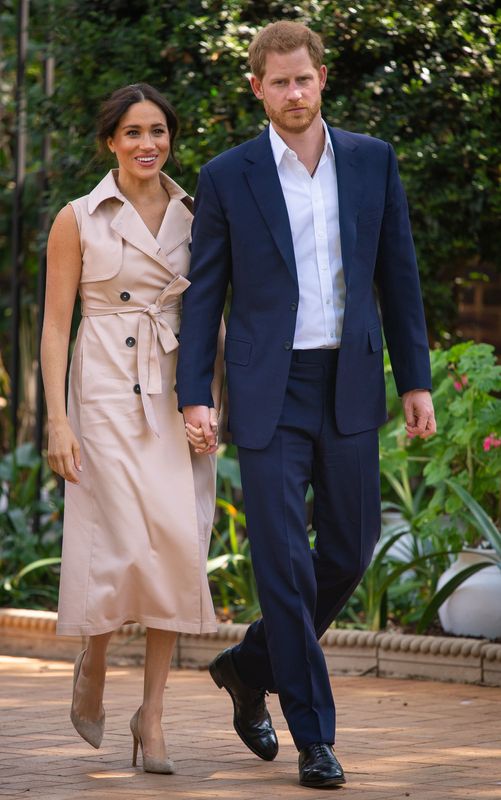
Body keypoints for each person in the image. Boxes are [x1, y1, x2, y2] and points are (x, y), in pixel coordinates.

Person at [177, 20, 436, 790]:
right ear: (255, 87)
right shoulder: (229, 175)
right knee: (283, 563)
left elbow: (399, 277)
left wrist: (414, 377)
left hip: (349, 382)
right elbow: (204, 296)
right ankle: (314, 738)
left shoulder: (369, 161)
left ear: (322, 77)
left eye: (304, 79)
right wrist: (196, 394)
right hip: (267, 390)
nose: (294, 93)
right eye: (278, 82)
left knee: (349, 550)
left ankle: (248, 664)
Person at [41, 83, 223, 775]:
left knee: (177, 545)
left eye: (159, 130)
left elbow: (209, 316)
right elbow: (57, 326)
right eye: (133, 132)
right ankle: (92, 655)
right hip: (105, 391)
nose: (148, 143)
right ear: (110, 142)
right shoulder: (78, 218)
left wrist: (208, 404)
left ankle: (151, 716)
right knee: (118, 546)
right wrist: (58, 419)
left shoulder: (197, 214)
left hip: (176, 391)